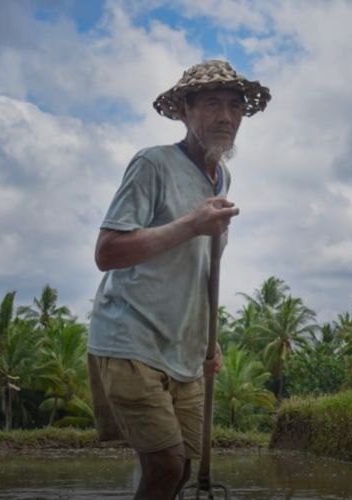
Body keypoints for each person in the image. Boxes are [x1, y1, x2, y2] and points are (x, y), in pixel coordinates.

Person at [86, 60, 270, 500]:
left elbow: (203, 265)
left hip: (184, 350)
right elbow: (107, 252)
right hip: (131, 340)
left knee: (183, 467)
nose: (226, 116)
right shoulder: (154, 164)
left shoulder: (220, 177)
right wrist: (191, 224)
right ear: (185, 112)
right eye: (211, 105)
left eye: (234, 106)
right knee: (165, 463)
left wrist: (211, 338)